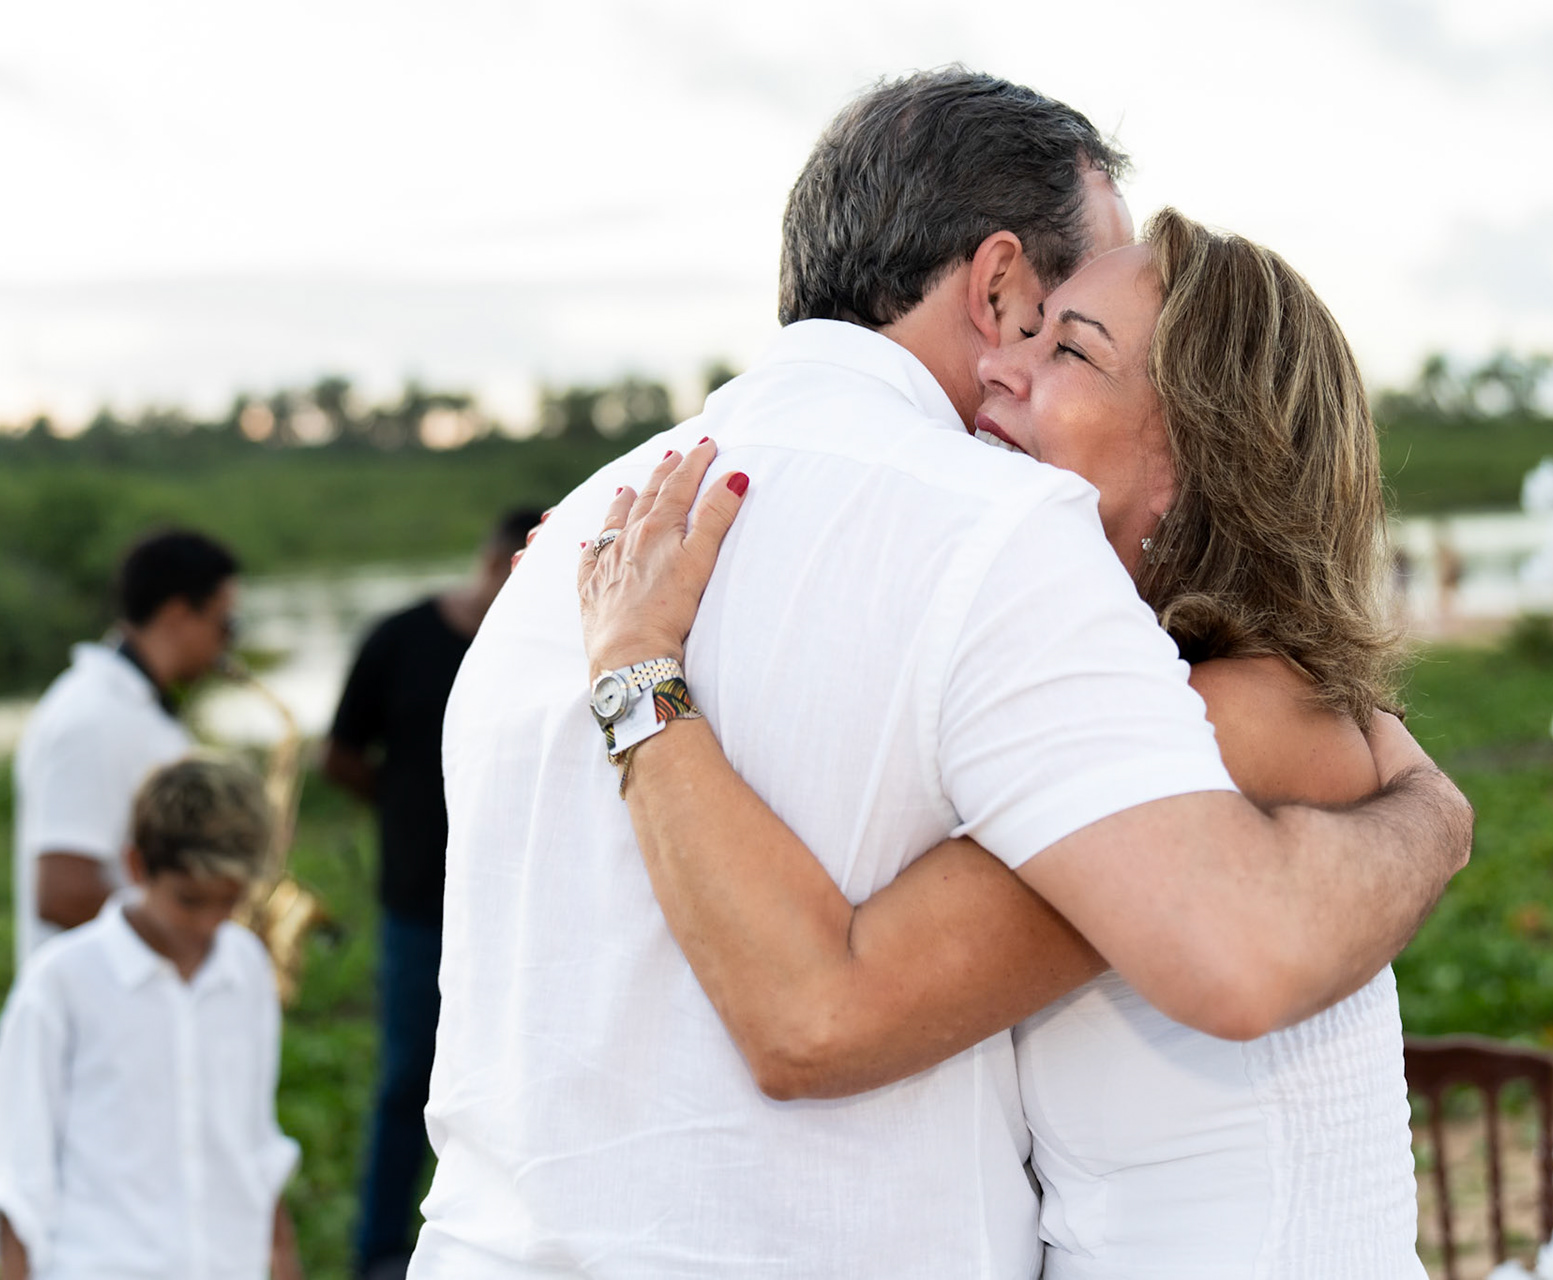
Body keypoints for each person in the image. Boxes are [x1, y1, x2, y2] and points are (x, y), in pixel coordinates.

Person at [415, 68, 1469, 1278]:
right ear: (1000, 281)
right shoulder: (996, 537)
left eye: (1081, 348)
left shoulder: (593, 532)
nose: (1021, 370)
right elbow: (824, 1007)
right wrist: (1431, 814)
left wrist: (642, 675)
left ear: (1194, 458)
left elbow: (839, 998)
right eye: (1052, 320)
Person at [0, 757, 303, 1280]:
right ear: (134, 866)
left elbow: (255, 1141)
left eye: (230, 902)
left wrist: (283, 1259)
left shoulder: (245, 967)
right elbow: (21, 1175)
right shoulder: (61, 982)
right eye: (189, 901)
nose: (207, 924)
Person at [321, 507, 538, 1280]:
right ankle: (380, 1248)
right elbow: (339, 754)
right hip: (420, 898)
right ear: (490, 564)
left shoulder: (546, 644)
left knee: (520, 1073)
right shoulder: (399, 640)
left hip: (522, 903)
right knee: (407, 1074)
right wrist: (401, 801)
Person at [12, 529, 239, 967]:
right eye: (226, 622)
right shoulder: (94, 718)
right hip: (102, 1012)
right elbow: (65, 894)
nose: (228, 642)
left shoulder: (132, 708)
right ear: (177, 614)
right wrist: (198, 942)